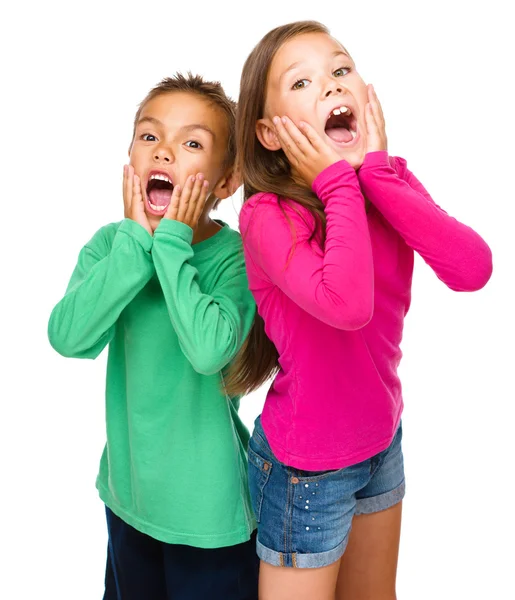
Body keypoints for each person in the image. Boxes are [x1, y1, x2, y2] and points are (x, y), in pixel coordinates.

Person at [226, 20, 493, 600]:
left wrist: (376, 172)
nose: (330, 85)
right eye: (303, 81)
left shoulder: (384, 185)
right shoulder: (268, 217)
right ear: (270, 134)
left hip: (381, 442)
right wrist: (337, 185)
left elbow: (472, 269)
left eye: (341, 70)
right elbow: (345, 304)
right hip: (306, 470)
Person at [48, 73, 259, 600]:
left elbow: (211, 352)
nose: (164, 151)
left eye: (191, 143)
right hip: (129, 498)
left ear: (227, 180)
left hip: (209, 516)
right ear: (131, 157)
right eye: (150, 137)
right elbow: (68, 337)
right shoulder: (111, 247)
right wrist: (135, 247)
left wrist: (170, 246)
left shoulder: (235, 259)